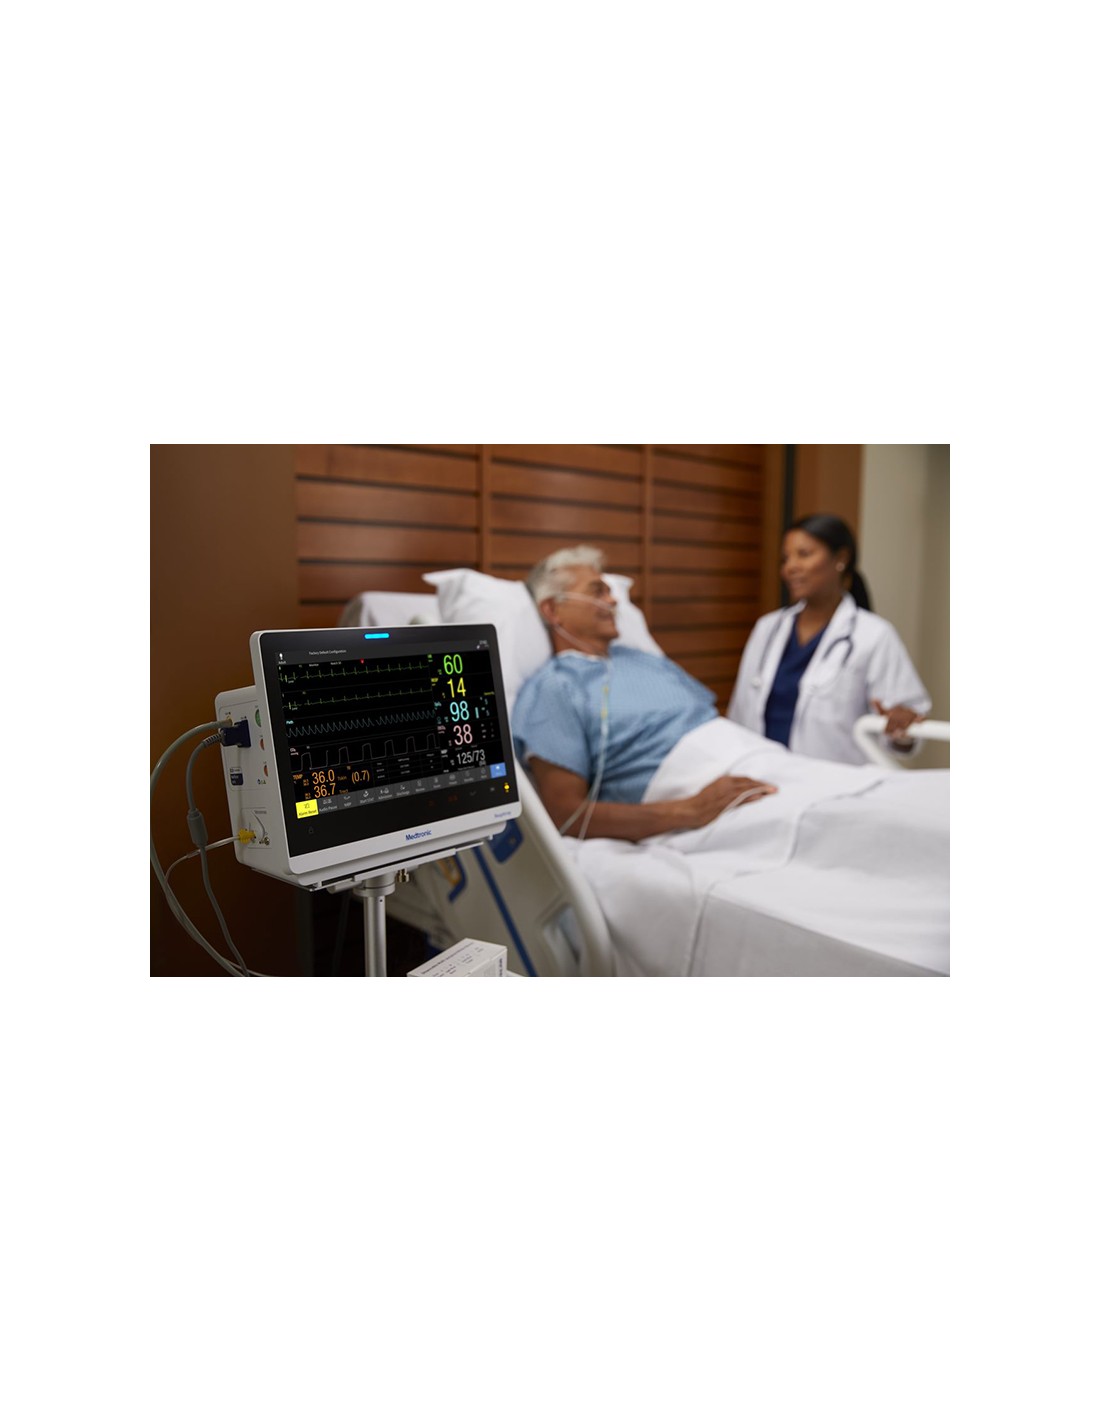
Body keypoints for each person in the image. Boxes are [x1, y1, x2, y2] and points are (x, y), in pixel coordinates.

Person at [512, 546, 777, 841]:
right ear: (552, 610)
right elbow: (567, 816)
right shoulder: (555, 687)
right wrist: (688, 810)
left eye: (610, 591)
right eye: (597, 591)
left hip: (757, 758)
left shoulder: (645, 660)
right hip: (697, 793)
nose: (613, 600)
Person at [727, 513, 931, 765]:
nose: (790, 567)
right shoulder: (768, 628)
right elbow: (739, 713)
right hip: (763, 775)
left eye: (804, 554)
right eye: (785, 558)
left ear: (841, 558)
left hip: (836, 780)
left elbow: (904, 733)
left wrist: (902, 729)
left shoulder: (873, 635)